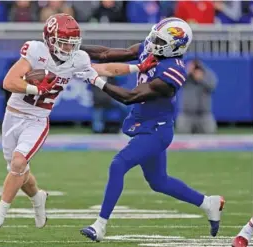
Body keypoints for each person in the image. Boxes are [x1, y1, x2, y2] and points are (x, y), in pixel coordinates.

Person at [0, 13, 150, 232]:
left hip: (37, 119)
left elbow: (105, 69)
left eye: (73, 44)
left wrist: (138, 67)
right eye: (64, 43)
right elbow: (9, 81)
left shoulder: (77, 59)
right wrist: (35, 87)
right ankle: (38, 197)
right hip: (12, 115)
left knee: (17, 163)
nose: (69, 49)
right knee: (19, 172)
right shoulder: (35, 51)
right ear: (50, 40)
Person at [79, 17, 225, 242]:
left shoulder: (173, 71)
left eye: (159, 39)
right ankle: (209, 203)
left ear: (174, 45)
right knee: (159, 182)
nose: (152, 41)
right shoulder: (152, 51)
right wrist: (75, 49)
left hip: (156, 130)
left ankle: (100, 225)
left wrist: (97, 81)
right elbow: (107, 53)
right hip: (145, 124)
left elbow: (131, 97)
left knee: (118, 165)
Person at [176, 58, 217, 134]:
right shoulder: (185, 76)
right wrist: (188, 72)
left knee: (210, 138)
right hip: (186, 115)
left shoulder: (207, 74)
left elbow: (212, 86)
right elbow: (177, 82)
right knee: (183, 138)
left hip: (204, 115)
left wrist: (202, 79)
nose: (196, 69)